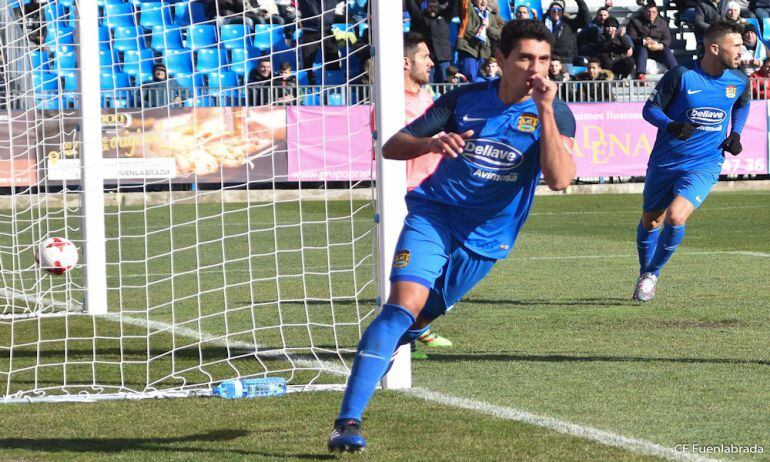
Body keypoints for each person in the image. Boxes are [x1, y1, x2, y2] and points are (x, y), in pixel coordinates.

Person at [327, 19, 576, 452]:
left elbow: (559, 179)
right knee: (401, 307)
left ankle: (371, 356)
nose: (536, 68)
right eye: (525, 57)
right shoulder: (464, 99)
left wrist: (547, 112)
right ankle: (347, 422)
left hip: (487, 241)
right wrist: (431, 143)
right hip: (434, 216)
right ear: (500, 60)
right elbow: (393, 146)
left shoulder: (556, 113)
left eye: (544, 59)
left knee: (417, 321)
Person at [633, 21, 749, 302]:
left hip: (705, 163)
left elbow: (743, 104)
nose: (742, 50)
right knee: (651, 221)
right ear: (714, 47)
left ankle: (652, 275)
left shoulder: (739, 79)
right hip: (666, 162)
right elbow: (650, 110)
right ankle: (644, 271)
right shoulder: (681, 75)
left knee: (676, 216)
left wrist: (735, 133)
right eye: (736, 45)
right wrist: (670, 125)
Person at [400, 32, 456, 358]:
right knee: (416, 272)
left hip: (437, 192)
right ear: (406, 62)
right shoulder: (391, 102)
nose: (432, 62)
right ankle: (411, 332)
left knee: (446, 268)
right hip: (409, 196)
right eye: (425, 57)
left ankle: (416, 328)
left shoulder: (427, 96)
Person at [404, 0, 458, 83]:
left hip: (443, 57)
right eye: (430, 7)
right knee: (428, 83)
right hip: (427, 57)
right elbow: (411, 6)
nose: (432, 9)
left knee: (445, 82)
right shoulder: (421, 17)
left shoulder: (445, 16)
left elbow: (453, 4)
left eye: (435, 7)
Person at [456, 0, 505, 81]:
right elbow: (463, 3)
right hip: (469, 49)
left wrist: (489, 27)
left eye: (485, 0)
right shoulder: (468, 11)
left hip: (484, 52)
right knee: (470, 77)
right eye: (480, 0)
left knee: (484, 78)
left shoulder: (491, 16)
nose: (483, 2)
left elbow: (499, 34)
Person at [626, 3, 678, 79]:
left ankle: (676, 72)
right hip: (641, 48)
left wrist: (661, 45)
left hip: (657, 49)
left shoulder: (662, 23)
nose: (651, 14)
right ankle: (641, 74)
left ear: (657, 13)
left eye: (653, 12)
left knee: (666, 50)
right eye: (648, 12)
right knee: (642, 49)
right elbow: (631, 36)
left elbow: (667, 39)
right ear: (644, 12)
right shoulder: (635, 22)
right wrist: (644, 41)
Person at [542, 0, 589, 68]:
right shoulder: (543, 24)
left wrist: (580, 1)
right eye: (553, 9)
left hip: (565, 61)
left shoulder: (570, 24)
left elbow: (586, 19)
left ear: (562, 12)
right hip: (548, 61)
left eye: (558, 9)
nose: (556, 11)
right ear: (549, 11)